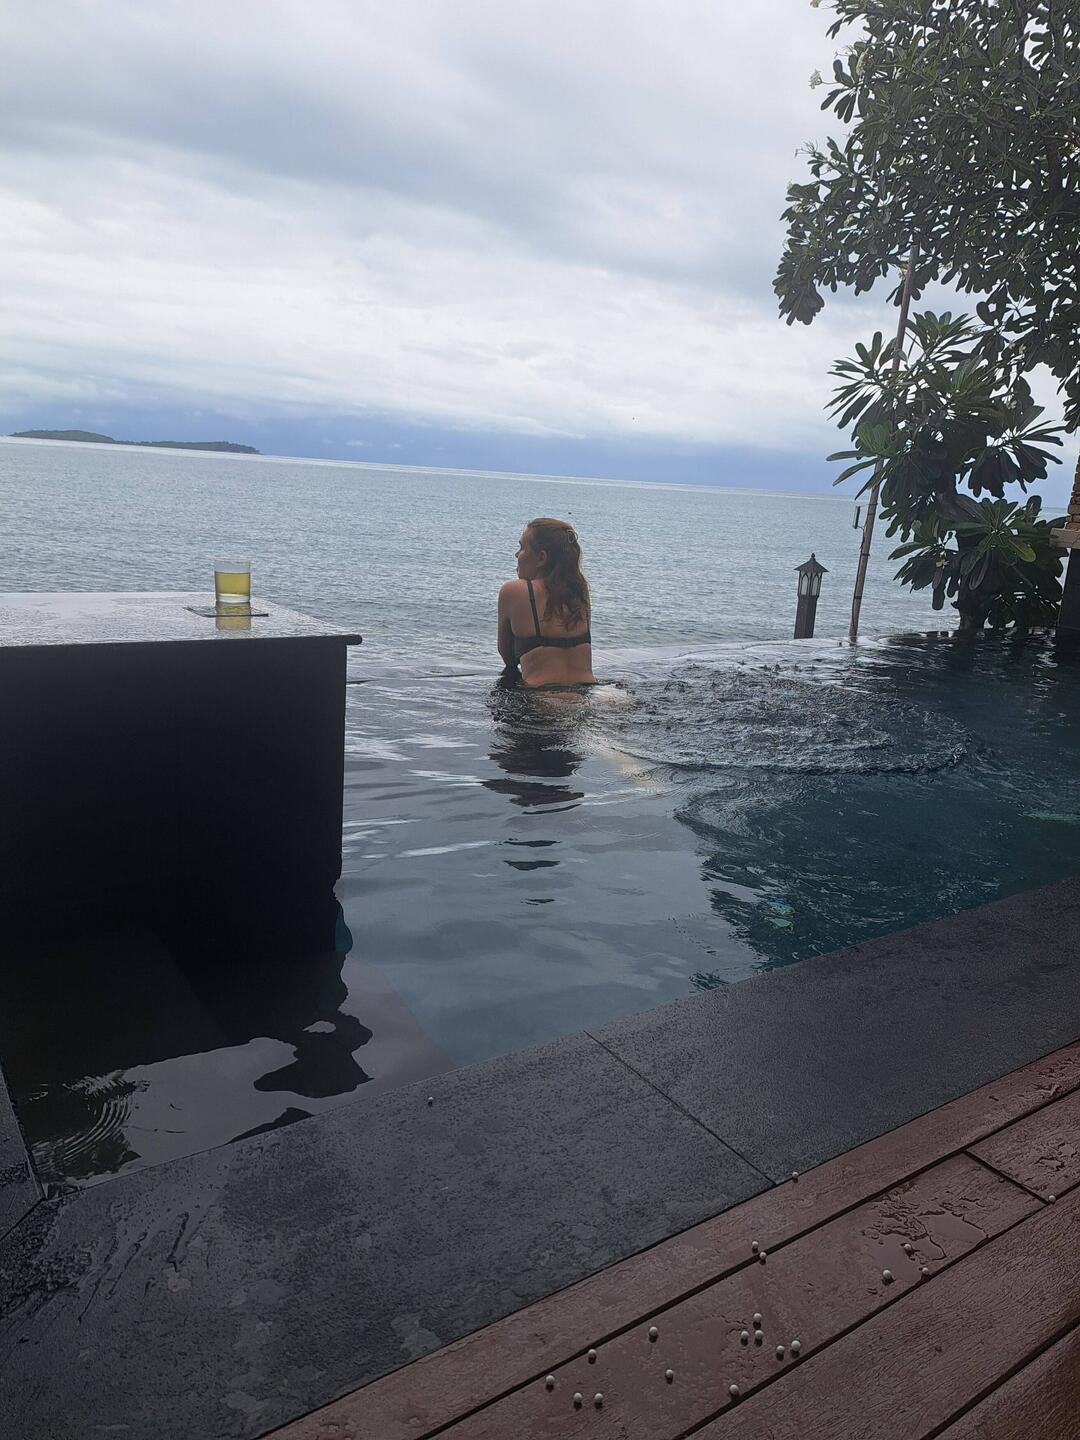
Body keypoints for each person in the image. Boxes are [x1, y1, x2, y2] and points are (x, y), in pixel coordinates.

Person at [498, 517, 597, 688]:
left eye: (522, 547)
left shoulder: (513, 591)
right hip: (589, 690)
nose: (516, 554)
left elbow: (508, 656)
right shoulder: (579, 589)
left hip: (542, 695)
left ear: (541, 558)